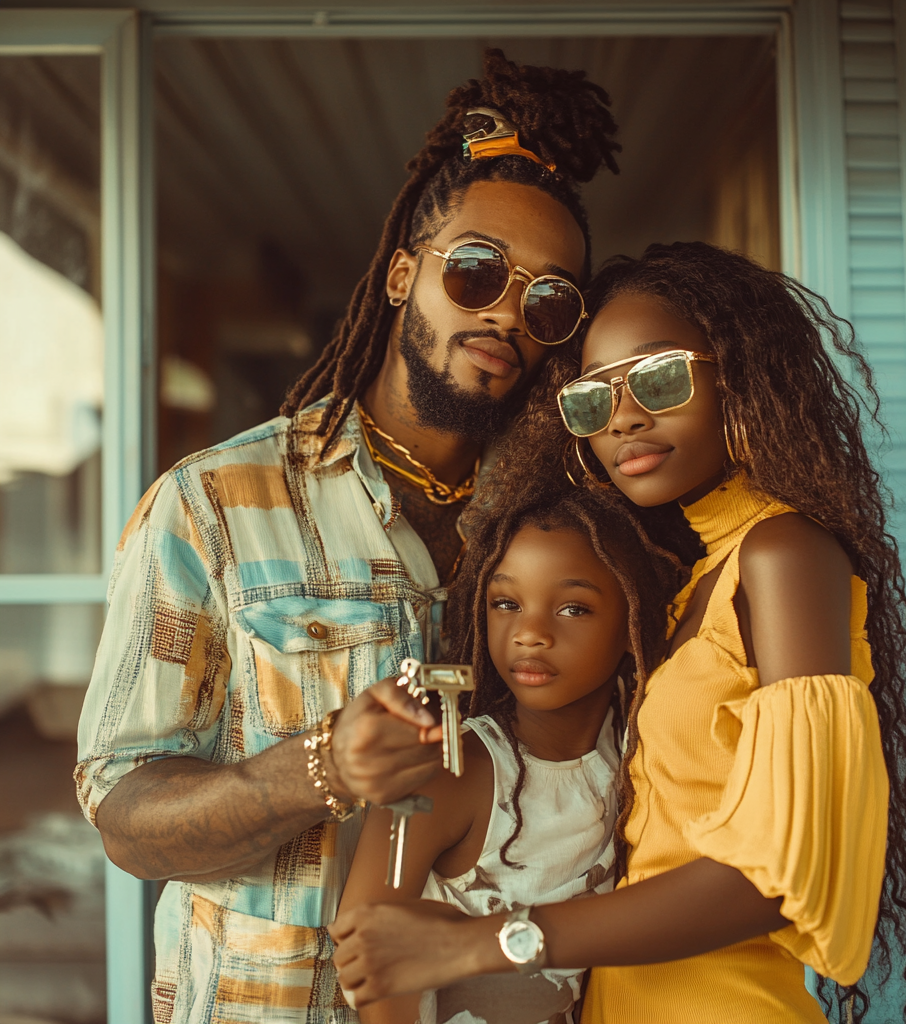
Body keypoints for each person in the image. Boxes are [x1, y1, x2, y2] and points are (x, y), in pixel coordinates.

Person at [74, 50, 620, 1022]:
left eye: (545, 301)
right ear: (405, 272)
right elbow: (125, 821)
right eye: (477, 270)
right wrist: (315, 767)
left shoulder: (565, 527)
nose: (505, 312)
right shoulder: (215, 503)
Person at [330, 241, 906, 1024]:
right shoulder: (691, 588)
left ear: (737, 374)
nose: (626, 418)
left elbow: (778, 879)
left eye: (658, 377)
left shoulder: (783, 555)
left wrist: (483, 942)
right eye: (594, 399)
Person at [332, 484, 682, 1024]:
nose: (530, 634)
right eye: (506, 603)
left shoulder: (640, 746)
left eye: (572, 607)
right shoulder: (452, 770)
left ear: (633, 620)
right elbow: (364, 956)